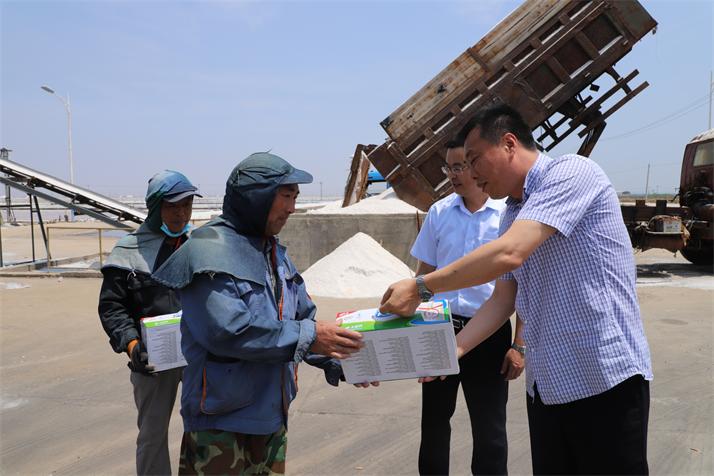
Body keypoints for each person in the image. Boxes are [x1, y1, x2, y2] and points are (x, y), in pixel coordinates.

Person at [380, 103, 652, 475]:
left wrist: (421, 287)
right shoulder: (512, 212)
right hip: (548, 387)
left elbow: (510, 253)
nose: (471, 173)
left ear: (509, 144)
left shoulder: (572, 172)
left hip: (602, 379)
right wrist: (451, 352)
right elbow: (502, 299)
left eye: (474, 160)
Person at [152, 152, 366, 475]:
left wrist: (344, 362)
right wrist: (312, 336)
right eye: (286, 196)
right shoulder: (207, 251)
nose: (292, 208)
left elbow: (302, 319)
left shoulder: (274, 252)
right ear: (256, 197)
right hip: (221, 428)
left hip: (272, 420)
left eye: (295, 197)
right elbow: (229, 332)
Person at [412, 138, 524, 476]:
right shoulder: (439, 212)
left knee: (490, 429)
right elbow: (423, 277)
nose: (453, 175)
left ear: (477, 165)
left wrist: (519, 345)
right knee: (434, 423)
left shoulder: (507, 215)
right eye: (448, 167)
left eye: (460, 166)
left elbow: (522, 286)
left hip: (490, 334)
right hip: (440, 330)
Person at [98, 170, 201, 475]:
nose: (181, 213)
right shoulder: (128, 251)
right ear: (155, 209)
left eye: (187, 205)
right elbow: (112, 307)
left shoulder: (198, 245)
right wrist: (132, 346)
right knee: (152, 437)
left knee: (205, 430)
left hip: (197, 355)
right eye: (172, 206)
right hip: (152, 361)